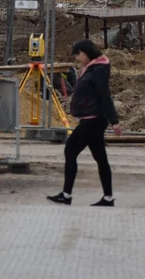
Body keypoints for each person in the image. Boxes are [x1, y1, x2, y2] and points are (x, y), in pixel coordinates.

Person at [48, 39, 122, 207]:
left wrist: (114, 121)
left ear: (87, 52)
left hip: (93, 119)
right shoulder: (91, 69)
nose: (77, 58)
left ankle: (66, 195)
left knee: (70, 150)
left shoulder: (98, 70)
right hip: (93, 118)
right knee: (100, 158)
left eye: (78, 54)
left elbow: (105, 96)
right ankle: (108, 198)